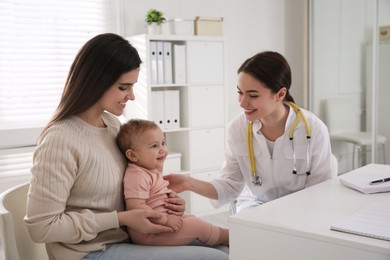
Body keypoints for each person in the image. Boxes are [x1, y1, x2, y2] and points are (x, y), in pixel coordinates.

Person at [24, 33, 229, 260]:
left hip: (127, 238)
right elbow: (41, 227)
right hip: (88, 252)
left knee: (224, 249)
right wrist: (121, 219)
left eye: (132, 87)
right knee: (216, 258)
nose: (131, 96)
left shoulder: (112, 125)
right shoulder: (60, 140)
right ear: (96, 81)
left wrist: (164, 201)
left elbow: (131, 187)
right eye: (123, 87)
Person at [164, 51, 333, 214]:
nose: (243, 102)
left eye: (253, 95)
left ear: (280, 94)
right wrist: (188, 183)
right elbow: (229, 186)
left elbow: (319, 191)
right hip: (255, 205)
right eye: (240, 93)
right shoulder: (238, 128)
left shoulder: (314, 129)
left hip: (300, 209)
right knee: (249, 233)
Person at [117, 118, 229, 246]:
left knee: (192, 219)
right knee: (197, 226)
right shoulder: (137, 176)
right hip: (150, 233)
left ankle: (222, 238)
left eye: (163, 143)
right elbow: (136, 208)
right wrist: (165, 220)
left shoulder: (149, 170)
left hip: (162, 223)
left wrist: (170, 198)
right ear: (132, 155)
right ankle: (228, 237)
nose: (163, 149)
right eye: (154, 146)